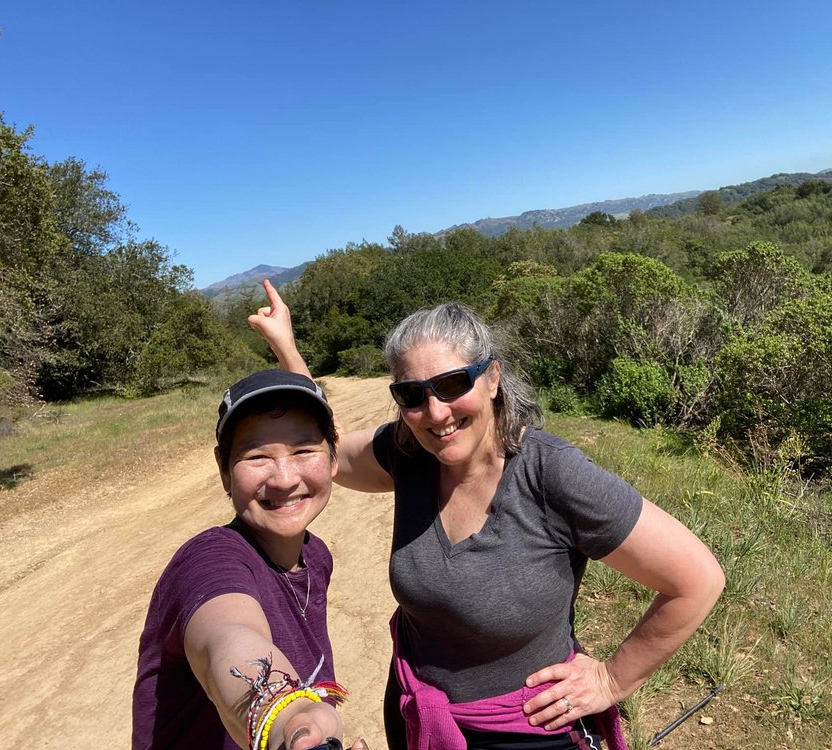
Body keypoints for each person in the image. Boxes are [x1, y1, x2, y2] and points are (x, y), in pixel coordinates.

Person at [250, 281, 726, 750]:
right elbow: (329, 451)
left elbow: (697, 579)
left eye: (453, 384)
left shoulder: (550, 474)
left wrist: (610, 680)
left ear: (493, 378)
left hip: (526, 732)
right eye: (412, 395)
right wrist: (288, 351)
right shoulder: (408, 452)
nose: (435, 412)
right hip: (419, 714)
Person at [132, 369, 367, 750]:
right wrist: (288, 717)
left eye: (304, 450)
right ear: (224, 470)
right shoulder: (208, 560)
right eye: (257, 456)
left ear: (333, 455)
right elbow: (227, 636)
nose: (284, 478)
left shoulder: (315, 555)